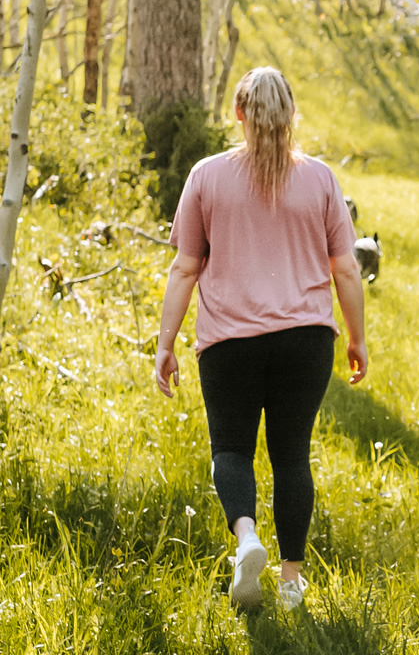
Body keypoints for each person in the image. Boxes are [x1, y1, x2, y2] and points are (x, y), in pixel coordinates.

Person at [153, 67, 368, 611]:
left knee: (231, 448)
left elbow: (184, 268)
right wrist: (356, 338)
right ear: (291, 114)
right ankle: (291, 582)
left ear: (238, 113)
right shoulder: (320, 179)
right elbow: (345, 270)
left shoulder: (206, 176)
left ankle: (247, 539)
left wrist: (165, 343)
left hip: (230, 341)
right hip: (307, 339)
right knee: (292, 457)